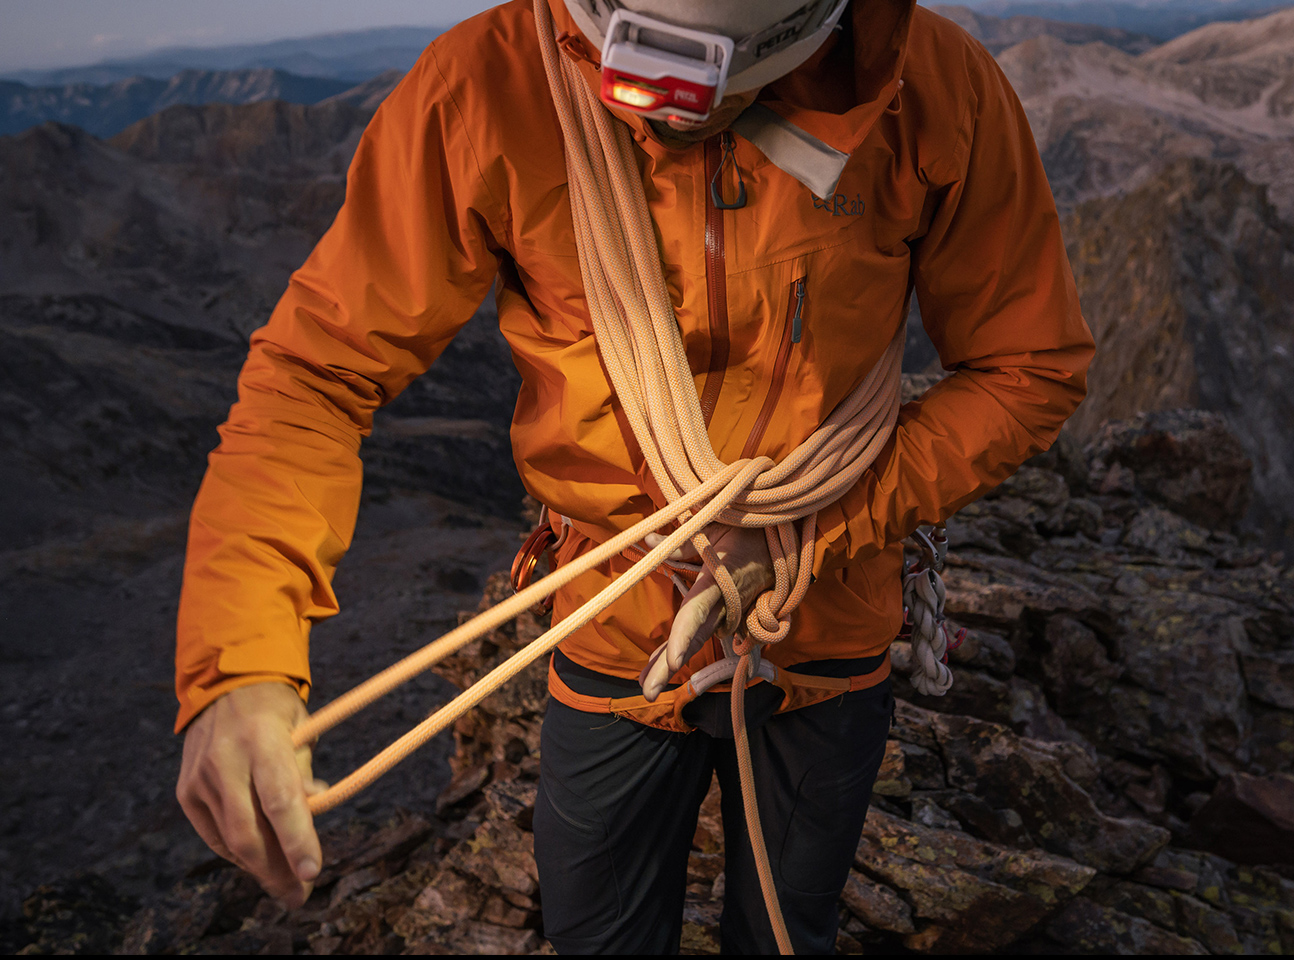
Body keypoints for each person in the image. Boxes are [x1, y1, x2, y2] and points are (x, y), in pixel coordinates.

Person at [173, 0, 1094, 953]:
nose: (670, 121)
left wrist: (809, 534)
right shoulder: (489, 87)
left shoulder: (927, 85)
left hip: (828, 618)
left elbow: (1027, 365)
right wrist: (240, 662)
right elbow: (318, 376)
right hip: (618, 615)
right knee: (600, 933)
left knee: (787, 928)